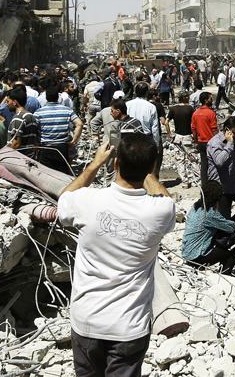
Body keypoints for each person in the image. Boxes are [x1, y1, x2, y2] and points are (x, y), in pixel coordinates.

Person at [58, 134, 174, 377]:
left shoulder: (87, 200)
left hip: (87, 320)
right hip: (129, 326)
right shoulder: (160, 211)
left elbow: (64, 199)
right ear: (152, 168)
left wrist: (94, 164)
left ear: (115, 163)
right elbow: (165, 197)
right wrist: (146, 171)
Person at [183, 178, 235, 271]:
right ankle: (225, 274)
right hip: (197, 258)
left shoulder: (196, 206)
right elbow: (230, 227)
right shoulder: (209, 213)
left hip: (187, 253)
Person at [34, 86, 83, 173]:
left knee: (46, 173)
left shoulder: (39, 112)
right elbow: (79, 123)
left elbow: (33, 128)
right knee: (62, 173)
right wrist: (74, 141)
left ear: (46, 97)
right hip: (62, 147)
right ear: (57, 97)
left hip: (45, 147)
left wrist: (36, 142)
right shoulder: (67, 110)